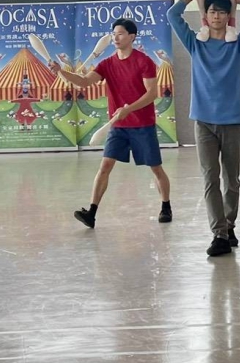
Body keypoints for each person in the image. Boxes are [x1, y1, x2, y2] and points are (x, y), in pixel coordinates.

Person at [168, 0, 240, 258]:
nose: (217, 16)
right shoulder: (195, 44)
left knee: (231, 180)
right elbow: (172, 15)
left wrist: (239, 0)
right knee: (210, 178)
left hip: (231, 121)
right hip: (203, 122)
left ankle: (229, 226)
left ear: (228, 16)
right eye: (212, 11)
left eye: (222, 11)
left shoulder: (239, 45)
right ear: (206, 16)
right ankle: (219, 234)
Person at [50, 19, 172, 228]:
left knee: (155, 168)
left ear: (132, 37)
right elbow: (84, 82)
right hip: (118, 126)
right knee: (105, 165)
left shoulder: (144, 61)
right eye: (114, 34)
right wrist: (60, 71)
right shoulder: (107, 64)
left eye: (120, 33)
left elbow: (152, 93)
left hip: (142, 124)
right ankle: (91, 212)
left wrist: (128, 109)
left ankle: (166, 206)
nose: (115, 37)